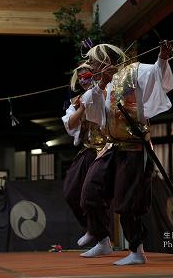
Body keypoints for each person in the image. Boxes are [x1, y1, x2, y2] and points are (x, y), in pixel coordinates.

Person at [80, 40, 173, 265]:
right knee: (90, 190)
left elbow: (158, 77)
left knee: (127, 201)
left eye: (93, 61)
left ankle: (136, 251)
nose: (90, 65)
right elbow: (95, 116)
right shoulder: (103, 84)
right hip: (113, 147)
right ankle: (102, 241)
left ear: (105, 60)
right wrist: (98, 87)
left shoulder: (134, 72)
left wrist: (162, 58)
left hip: (134, 147)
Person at [61, 61, 110, 251]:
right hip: (89, 149)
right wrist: (82, 107)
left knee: (92, 193)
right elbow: (71, 124)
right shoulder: (78, 100)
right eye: (80, 78)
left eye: (87, 77)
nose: (83, 81)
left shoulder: (107, 92)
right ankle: (92, 228)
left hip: (109, 148)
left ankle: (103, 238)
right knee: (71, 191)